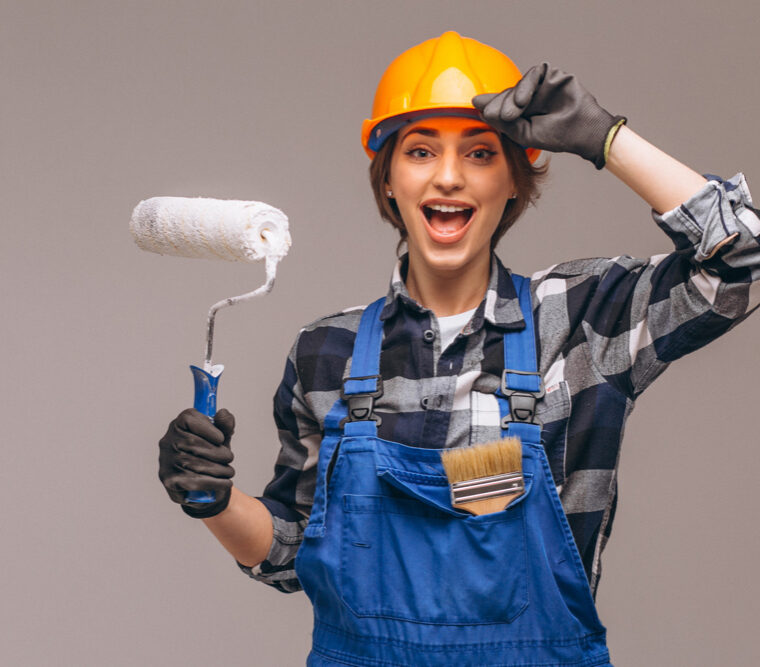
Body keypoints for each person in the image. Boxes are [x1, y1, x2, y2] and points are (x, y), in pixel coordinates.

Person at [157, 32, 760, 666]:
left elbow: (741, 263)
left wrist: (605, 139)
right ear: (388, 180)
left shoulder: (579, 320)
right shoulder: (325, 351)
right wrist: (215, 501)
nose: (448, 176)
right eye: (419, 152)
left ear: (513, 185)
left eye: (479, 154)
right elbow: (290, 557)